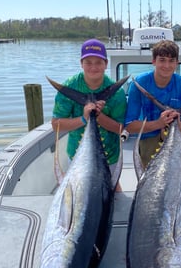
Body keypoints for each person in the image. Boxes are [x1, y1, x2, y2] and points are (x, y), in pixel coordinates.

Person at [51, 38, 127, 190]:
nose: (93, 67)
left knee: (112, 187)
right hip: (78, 154)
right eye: (88, 62)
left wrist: (98, 116)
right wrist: (84, 119)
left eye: (98, 62)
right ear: (81, 63)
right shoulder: (69, 87)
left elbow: (120, 128)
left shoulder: (116, 92)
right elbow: (56, 124)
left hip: (110, 155)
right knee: (79, 190)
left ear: (106, 64)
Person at [124, 40, 181, 167]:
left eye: (171, 61)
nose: (167, 65)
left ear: (177, 63)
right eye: (162, 60)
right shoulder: (139, 83)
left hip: (176, 140)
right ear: (153, 61)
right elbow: (129, 126)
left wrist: (178, 124)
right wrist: (159, 123)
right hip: (147, 140)